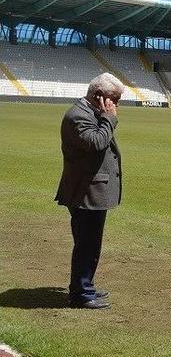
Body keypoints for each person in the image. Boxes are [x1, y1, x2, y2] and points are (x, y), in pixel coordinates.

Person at [55, 72, 126, 309]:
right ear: (98, 96)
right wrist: (109, 119)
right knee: (86, 243)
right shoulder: (78, 116)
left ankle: (86, 286)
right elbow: (96, 143)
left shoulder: (90, 113)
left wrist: (105, 117)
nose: (116, 106)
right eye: (113, 100)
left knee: (89, 242)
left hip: (90, 189)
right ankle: (81, 293)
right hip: (86, 191)